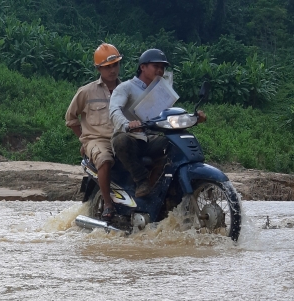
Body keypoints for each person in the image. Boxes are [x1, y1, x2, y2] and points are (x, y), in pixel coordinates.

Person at [109, 49, 204, 197]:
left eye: (163, 67)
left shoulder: (162, 91)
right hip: (130, 137)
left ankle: (165, 185)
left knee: (174, 143)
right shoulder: (126, 87)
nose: (160, 70)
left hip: (150, 138)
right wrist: (127, 124)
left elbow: (170, 114)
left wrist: (194, 118)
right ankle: (141, 180)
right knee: (121, 140)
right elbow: (114, 109)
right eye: (156, 66)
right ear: (143, 67)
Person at [65, 43, 123, 220]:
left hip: (122, 138)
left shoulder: (126, 90)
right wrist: (84, 141)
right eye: (107, 67)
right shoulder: (86, 92)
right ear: (99, 68)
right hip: (98, 140)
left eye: (115, 65)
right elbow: (71, 118)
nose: (112, 70)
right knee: (105, 160)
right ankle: (107, 203)